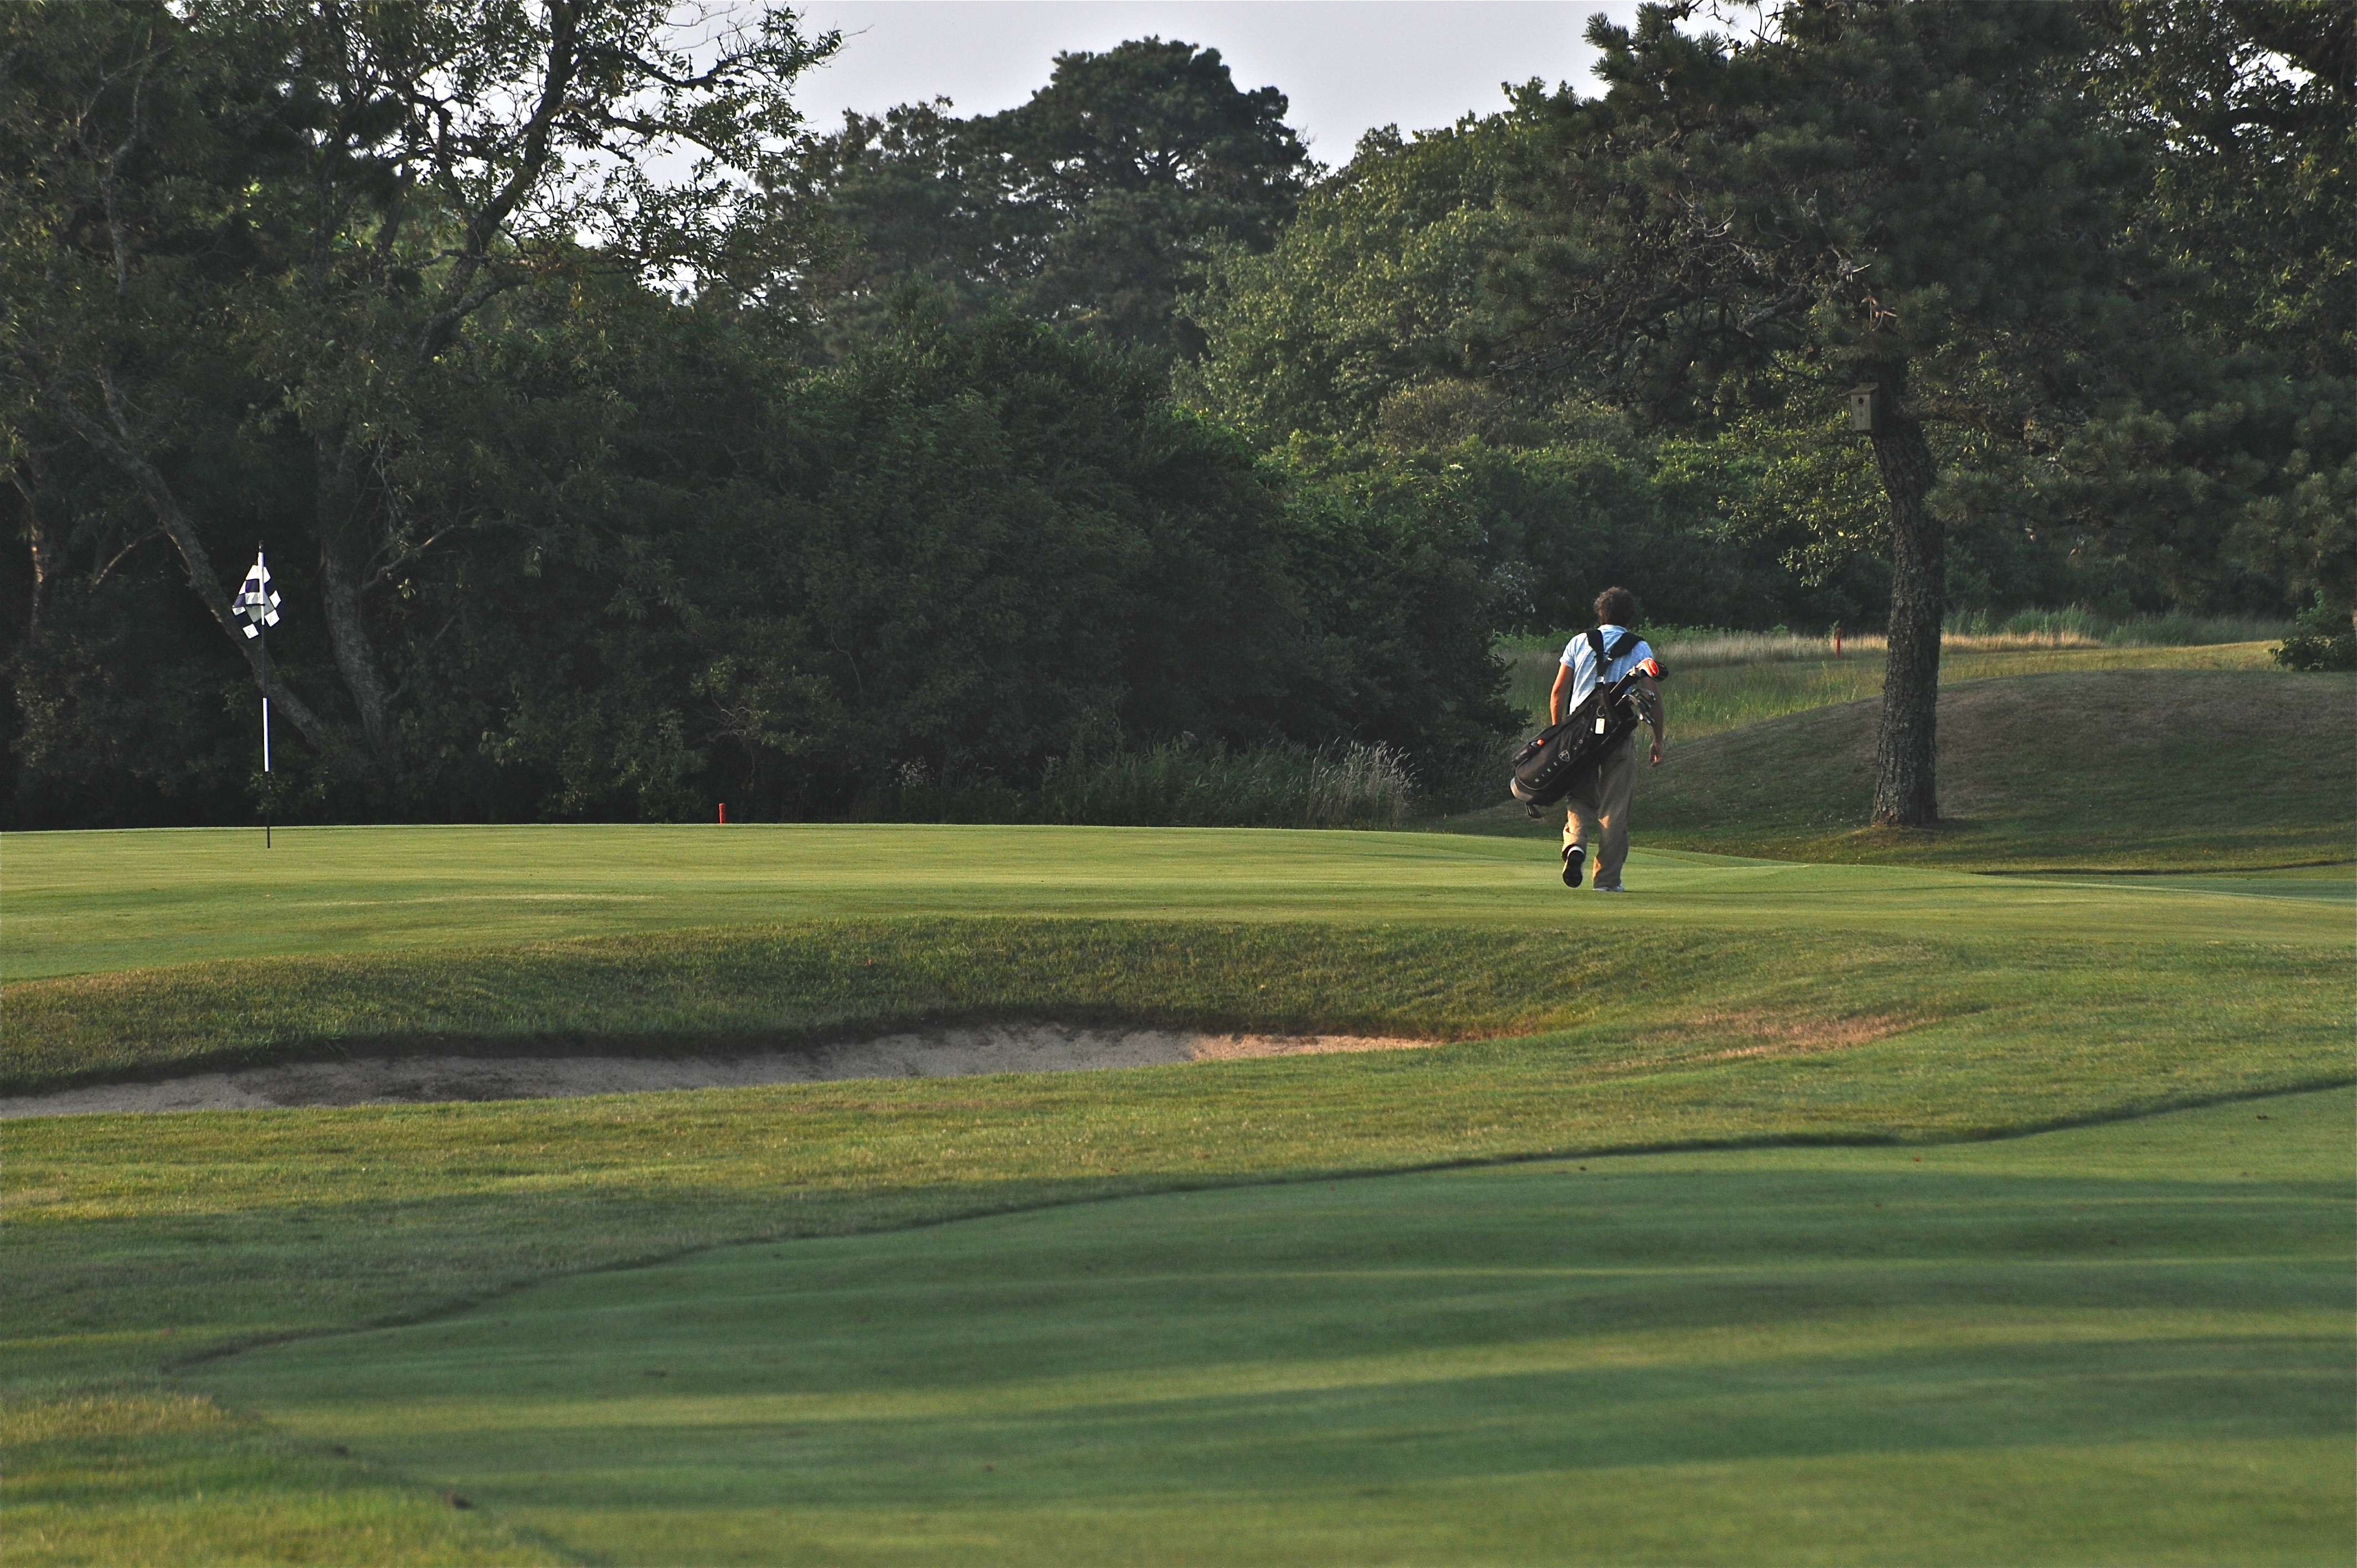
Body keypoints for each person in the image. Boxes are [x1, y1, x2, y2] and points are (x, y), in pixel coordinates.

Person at [1549, 586, 1664, 892]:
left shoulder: (1578, 642)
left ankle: (1575, 844)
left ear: (1600, 612)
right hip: (1618, 734)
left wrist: (1557, 731)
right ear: (1629, 615)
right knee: (1615, 808)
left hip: (1578, 734)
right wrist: (1658, 738)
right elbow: (1652, 696)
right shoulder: (1639, 648)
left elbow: (1559, 691)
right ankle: (1607, 881)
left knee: (1579, 797)